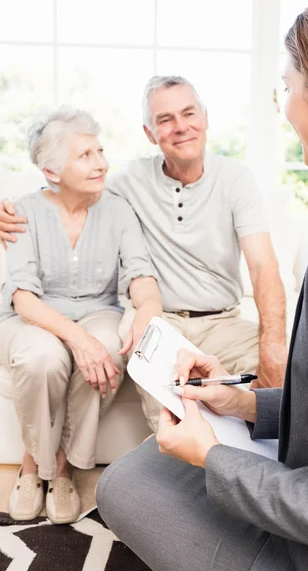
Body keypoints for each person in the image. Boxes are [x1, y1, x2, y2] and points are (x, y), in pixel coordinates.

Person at [95, 0, 308, 570]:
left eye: (286, 85)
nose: (283, 103)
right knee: (144, 466)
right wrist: (246, 407)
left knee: (126, 485)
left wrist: (213, 458)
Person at [0, 76, 288, 431]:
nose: (181, 127)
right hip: (157, 318)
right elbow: (70, 183)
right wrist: (10, 212)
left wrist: (274, 349)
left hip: (222, 321)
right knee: (159, 374)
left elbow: (263, 266)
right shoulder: (129, 181)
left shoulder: (236, 179)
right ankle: (175, 465)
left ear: (206, 117)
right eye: (165, 119)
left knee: (290, 373)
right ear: (150, 133)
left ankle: (262, 472)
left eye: (188, 113)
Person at [0, 107, 162, 524]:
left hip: (98, 311)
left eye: (100, 150)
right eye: (85, 155)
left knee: (109, 347)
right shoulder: (22, 212)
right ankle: (35, 467)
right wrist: (77, 339)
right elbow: (24, 300)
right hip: (33, 316)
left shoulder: (119, 210)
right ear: (52, 171)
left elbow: (139, 273)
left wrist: (148, 306)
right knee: (41, 358)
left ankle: (63, 466)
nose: (102, 162)